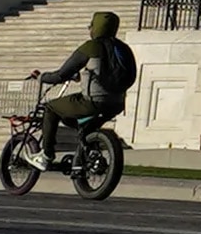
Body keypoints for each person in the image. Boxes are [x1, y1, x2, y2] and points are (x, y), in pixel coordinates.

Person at [37, 9, 137, 151]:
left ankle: (46, 154)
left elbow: (61, 75)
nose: (89, 29)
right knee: (82, 125)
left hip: (92, 102)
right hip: (117, 103)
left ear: (96, 27)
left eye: (91, 26)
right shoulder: (123, 48)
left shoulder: (92, 46)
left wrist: (42, 77)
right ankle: (83, 157)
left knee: (51, 108)